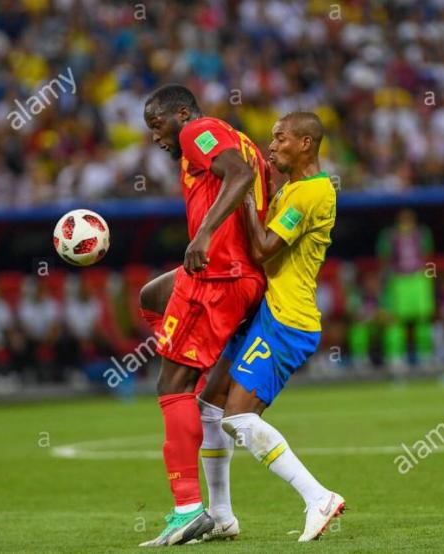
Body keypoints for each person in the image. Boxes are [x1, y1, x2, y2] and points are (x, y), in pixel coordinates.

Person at [139, 84, 270, 546]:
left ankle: (188, 510)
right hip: (235, 274)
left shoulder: (198, 131)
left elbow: (239, 176)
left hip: (218, 274)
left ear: (181, 114)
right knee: (152, 296)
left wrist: (204, 235)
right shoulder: (238, 138)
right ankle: (192, 374)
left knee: (169, 385)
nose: (156, 137)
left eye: (157, 125)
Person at [219, 112, 344, 542]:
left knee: (237, 417)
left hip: (286, 319)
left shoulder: (310, 194)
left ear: (306, 143)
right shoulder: (295, 189)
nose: (271, 146)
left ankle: (318, 497)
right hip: (268, 314)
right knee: (214, 405)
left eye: (280, 138)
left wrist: (243, 195)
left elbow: (263, 250)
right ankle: (218, 515)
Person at [376, 209, 435, 370]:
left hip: (418, 279)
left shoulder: (422, 234)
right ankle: (395, 356)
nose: (406, 222)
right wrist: (387, 281)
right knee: (395, 320)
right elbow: (384, 259)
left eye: (409, 219)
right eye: (403, 219)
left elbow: (427, 255)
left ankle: (425, 354)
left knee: (423, 319)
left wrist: (427, 276)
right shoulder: (389, 236)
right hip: (398, 280)